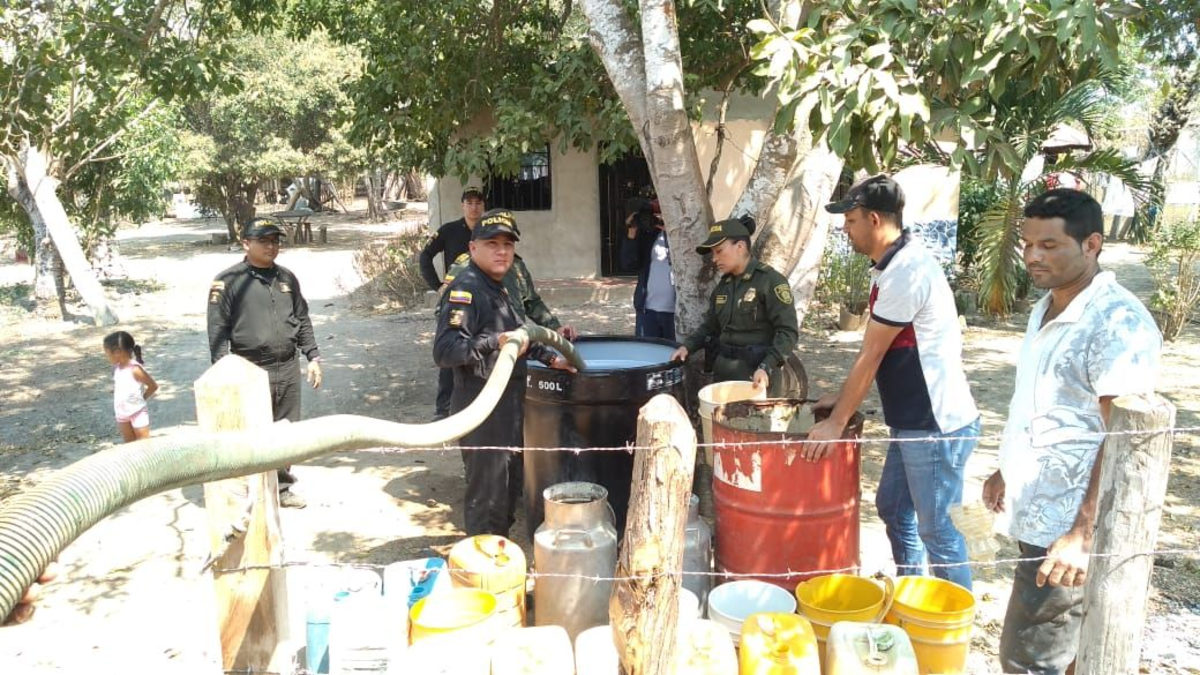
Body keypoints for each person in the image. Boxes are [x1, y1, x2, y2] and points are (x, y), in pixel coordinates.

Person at [982, 189, 1161, 674]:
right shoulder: (1047, 305)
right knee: (1058, 657)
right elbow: (1042, 404)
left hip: (1072, 528)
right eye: (1027, 244)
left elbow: (1124, 440)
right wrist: (1006, 468)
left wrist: (1082, 534)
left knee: (1029, 660)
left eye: (1049, 245)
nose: (1033, 256)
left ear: (1092, 244)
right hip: (1040, 514)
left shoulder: (1116, 323)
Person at [805, 175, 980, 591]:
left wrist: (836, 421)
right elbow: (881, 352)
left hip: (935, 423)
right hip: (911, 420)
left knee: (938, 530)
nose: (845, 229)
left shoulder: (907, 272)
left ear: (875, 220)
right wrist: (841, 397)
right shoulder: (890, 266)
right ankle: (911, 592)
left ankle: (952, 615)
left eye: (850, 220)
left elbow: (871, 354)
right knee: (894, 508)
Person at [433, 209, 576, 536]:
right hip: (481, 408)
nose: (502, 251)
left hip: (509, 406)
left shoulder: (500, 285)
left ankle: (500, 554)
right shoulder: (467, 289)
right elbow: (445, 351)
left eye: (508, 245)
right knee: (488, 499)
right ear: (473, 248)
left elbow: (519, 334)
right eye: (492, 244)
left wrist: (551, 359)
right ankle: (484, 560)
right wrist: (492, 342)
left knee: (509, 491)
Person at [207, 218, 323, 509]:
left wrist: (312, 356)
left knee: (286, 431)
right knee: (251, 432)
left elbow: (302, 318)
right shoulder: (229, 281)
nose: (271, 247)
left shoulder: (286, 278)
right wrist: (223, 371)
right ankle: (251, 492)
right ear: (246, 243)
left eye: (275, 241)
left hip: (287, 366)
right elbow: (217, 328)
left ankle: (281, 487)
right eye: (264, 241)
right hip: (250, 367)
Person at [670, 216, 798, 395]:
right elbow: (710, 327)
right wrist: (687, 347)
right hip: (724, 374)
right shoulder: (724, 286)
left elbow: (788, 332)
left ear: (740, 246)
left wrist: (766, 366)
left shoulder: (770, 281)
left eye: (719, 251)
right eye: (713, 253)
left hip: (757, 376)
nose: (714, 258)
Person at [421, 186, 487, 421]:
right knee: (450, 351)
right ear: (463, 205)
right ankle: (444, 409)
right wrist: (438, 286)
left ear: (483, 206)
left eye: (478, 203)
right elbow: (425, 256)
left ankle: (477, 407)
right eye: (469, 203)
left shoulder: (488, 231)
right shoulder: (449, 231)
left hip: (483, 301)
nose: (474, 207)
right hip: (455, 303)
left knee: (482, 350)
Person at [621, 196, 675, 340]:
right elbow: (629, 264)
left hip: (675, 312)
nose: (656, 218)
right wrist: (631, 231)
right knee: (646, 350)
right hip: (647, 310)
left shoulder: (682, 237)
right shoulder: (649, 235)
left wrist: (670, 231)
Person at [103, 331, 158, 443]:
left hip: (138, 412)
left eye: (107, 353)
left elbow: (153, 386)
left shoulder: (135, 369)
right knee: (129, 447)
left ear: (117, 352)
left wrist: (142, 398)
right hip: (122, 414)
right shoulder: (116, 368)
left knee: (144, 445)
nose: (107, 357)